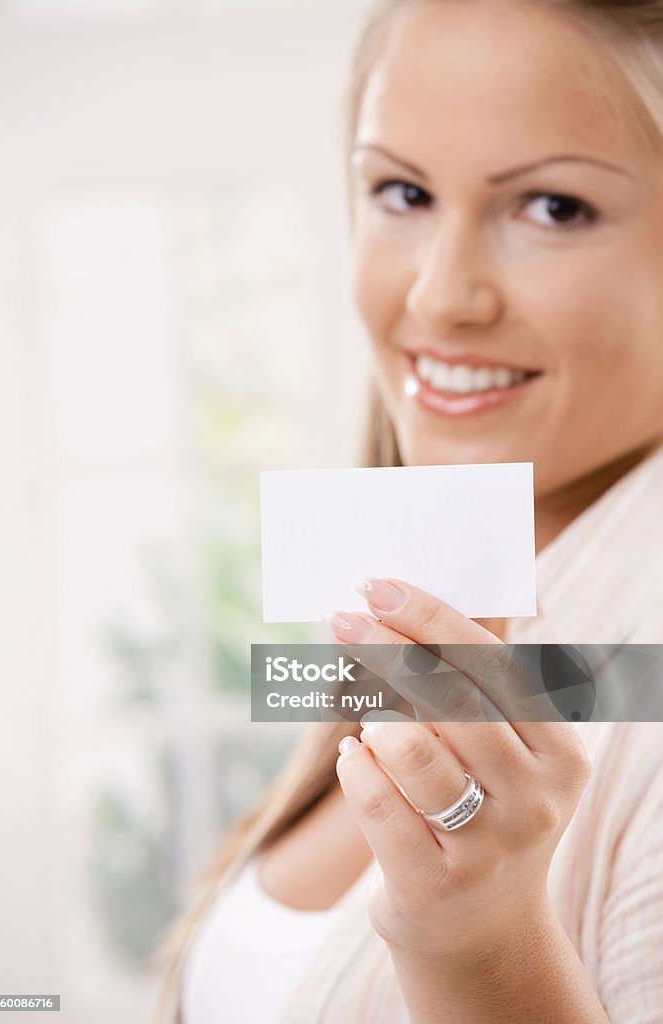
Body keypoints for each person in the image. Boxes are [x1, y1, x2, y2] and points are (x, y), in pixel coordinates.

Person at [153, 1, 663, 1021]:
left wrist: (483, 951)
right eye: (401, 191)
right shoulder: (418, 616)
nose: (438, 296)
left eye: (552, 207)